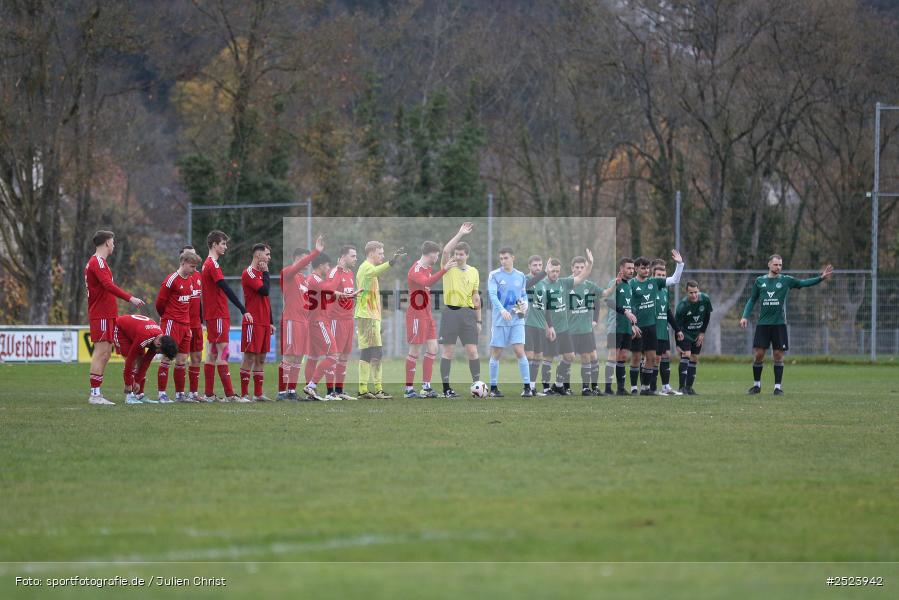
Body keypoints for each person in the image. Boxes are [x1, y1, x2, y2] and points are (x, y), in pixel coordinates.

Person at [740, 255, 833, 395]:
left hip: (779, 324)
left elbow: (803, 283)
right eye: (776, 264)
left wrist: (820, 278)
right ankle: (756, 386)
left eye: (780, 265)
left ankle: (777, 388)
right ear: (769, 264)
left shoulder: (786, 280)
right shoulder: (760, 281)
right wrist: (744, 316)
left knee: (778, 354)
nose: (778, 267)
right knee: (759, 354)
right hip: (763, 324)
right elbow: (752, 300)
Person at [84, 230, 145, 405]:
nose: (114, 245)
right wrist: (130, 298)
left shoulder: (99, 262)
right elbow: (108, 285)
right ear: (106, 243)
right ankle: (95, 395)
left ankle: (96, 394)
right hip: (101, 314)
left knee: (105, 354)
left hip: (106, 314)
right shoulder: (98, 262)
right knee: (101, 353)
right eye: (113, 242)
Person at [201, 230, 253, 403]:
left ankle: (209, 395)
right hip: (217, 314)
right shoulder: (212, 265)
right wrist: (242, 309)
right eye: (223, 243)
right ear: (214, 244)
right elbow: (225, 288)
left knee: (213, 353)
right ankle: (230, 395)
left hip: (214, 314)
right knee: (224, 352)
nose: (225, 247)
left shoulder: (207, 264)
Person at [303, 253, 360, 401]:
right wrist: (339, 270)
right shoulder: (315, 279)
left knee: (317, 356)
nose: (329, 268)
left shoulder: (316, 279)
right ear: (321, 265)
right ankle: (313, 386)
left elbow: (329, 291)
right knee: (332, 355)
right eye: (327, 265)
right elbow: (329, 287)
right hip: (320, 321)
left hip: (320, 320)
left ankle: (313, 391)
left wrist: (347, 295)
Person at [404, 242, 456, 398]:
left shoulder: (427, 268)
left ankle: (426, 388)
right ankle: (408, 390)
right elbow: (427, 282)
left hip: (427, 314)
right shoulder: (416, 269)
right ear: (431, 253)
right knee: (415, 351)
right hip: (416, 315)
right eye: (437, 254)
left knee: (433, 348)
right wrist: (444, 270)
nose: (438, 257)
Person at [628, 250, 684, 395]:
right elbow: (626, 306)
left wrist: (680, 264)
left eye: (647, 268)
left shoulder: (654, 282)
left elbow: (674, 280)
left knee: (652, 358)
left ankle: (646, 388)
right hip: (638, 327)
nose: (646, 270)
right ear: (636, 269)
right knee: (636, 357)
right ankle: (633, 387)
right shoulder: (631, 284)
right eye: (643, 268)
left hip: (651, 326)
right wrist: (632, 325)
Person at [356, 241, 406, 399]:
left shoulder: (367, 268)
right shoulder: (367, 267)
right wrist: (391, 262)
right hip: (368, 315)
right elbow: (376, 271)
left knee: (367, 352)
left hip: (370, 316)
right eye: (380, 253)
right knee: (377, 352)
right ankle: (377, 389)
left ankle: (364, 389)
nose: (382, 256)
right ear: (371, 253)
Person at [438, 223, 482, 398]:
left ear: (467, 256)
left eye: (461, 254)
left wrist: (479, 320)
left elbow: (476, 296)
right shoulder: (448, 267)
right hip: (450, 313)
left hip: (468, 314)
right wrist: (460, 234)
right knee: (448, 351)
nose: (457, 256)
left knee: (472, 351)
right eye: (456, 254)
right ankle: (447, 389)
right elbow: (445, 252)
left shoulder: (474, 272)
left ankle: (477, 385)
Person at [542, 251, 595, 395]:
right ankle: (546, 389)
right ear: (547, 270)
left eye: (557, 271)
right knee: (548, 357)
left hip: (564, 329)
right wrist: (548, 327)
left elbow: (582, 276)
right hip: (550, 328)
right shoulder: (542, 285)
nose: (555, 273)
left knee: (570, 356)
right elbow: (541, 310)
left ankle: (558, 385)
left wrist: (590, 263)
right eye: (552, 271)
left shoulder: (563, 282)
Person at [278, 235, 323, 401]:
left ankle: (291, 390)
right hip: (291, 320)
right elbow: (302, 264)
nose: (308, 263)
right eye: (304, 260)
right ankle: (281, 391)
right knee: (289, 356)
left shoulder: (304, 279)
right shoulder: (288, 273)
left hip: (304, 322)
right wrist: (316, 251)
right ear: (297, 260)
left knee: (298, 357)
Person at [155, 249, 201, 403]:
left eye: (195, 267)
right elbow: (159, 303)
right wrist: (167, 318)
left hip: (185, 325)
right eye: (192, 266)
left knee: (182, 360)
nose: (194, 270)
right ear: (183, 263)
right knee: (167, 357)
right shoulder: (171, 280)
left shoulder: (190, 279)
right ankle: (162, 394)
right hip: (171, 323)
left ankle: (180, 395)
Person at [486, 247, 532, 397]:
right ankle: (493, 388)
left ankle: (527, 388)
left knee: (520, 351)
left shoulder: (520, 276)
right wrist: (501, 310)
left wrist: (525, 304)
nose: (503, 261)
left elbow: (523, 295)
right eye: (501, 258)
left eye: (506, 257)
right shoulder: (494, 275)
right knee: (497, 353)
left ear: (513, 258)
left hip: (517, 319)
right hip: (500, 320)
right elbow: (492, 295)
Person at [112, 314, 178, 404]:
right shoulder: (146, 337)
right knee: (133, 362)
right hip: (121, 329)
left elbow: (146, 362)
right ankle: (129, 396)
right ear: (158, 345)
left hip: (135, 332)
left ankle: (139, 395)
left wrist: (138, 381)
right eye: (160, 352)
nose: (158, 353)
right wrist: (128, 383)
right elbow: (130, 360)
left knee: (141, 361)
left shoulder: (159, 340)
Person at [240, 243, 274, 402]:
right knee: (249, 358)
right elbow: (264, 290)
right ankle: (244, 394)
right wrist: (266, 272)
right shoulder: (249, 273)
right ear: (258, 255)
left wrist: (271, 321)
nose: (269, 258)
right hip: (253, 322)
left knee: (261, 358)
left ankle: (258, 394)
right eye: (267, 255)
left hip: (265, 322)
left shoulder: (261, 274)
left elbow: (266, 299)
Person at [566, 255, 604, 396]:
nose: (580, 270)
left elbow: (597, 302)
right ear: (572, 268)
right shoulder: (566, 284)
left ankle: (588, 388)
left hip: (585, 329)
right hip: (570, 329)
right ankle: (564, 386)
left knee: (589, 356)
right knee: (568, 358)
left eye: (583, 267)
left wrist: (595, 319)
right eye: (577, 267)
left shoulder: (589, 285)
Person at [325, 245, 360, 400]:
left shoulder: (350, 273)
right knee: (334, 355)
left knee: (345, 355)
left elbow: (346, 294)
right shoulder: (334, 272)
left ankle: (339, 390)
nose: (355, 258)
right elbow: (328, 291)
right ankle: (329, 392)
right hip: (336, 319)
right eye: (352, 256)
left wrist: (352, 297)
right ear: (343, 256)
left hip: (348, 319)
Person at [601, 258, 639, 396]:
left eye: (632, 268)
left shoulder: (629, 285)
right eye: (628, 268)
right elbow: (608, 301)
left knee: (623, 356)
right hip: (615, 326)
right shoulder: (615, 282)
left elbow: (630, 305)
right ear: (621, 269)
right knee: (613, 355)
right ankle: (607, 389)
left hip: (626, 327)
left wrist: (633, 325)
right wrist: (625, 312)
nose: (631, 271)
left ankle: (621, 389)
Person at [650, 258, 684, 396]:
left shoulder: (664, 290)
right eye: (659, 276)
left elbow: (667, 311)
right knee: (653, 358)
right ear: (653, 276)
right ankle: (650, 388)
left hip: (663, 330)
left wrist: (677, 329)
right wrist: (680, 264)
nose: (662, 278)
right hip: (652, 329)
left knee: (666, 355)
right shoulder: (650, 288)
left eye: (663, 276)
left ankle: (666, 387)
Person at [675, 281, 712, 395]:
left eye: (696, 292)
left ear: (698, 290)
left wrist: (702, 333)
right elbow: (677, 326)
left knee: (694, 357)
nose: (694, 295)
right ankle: (681, 388)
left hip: (697, 334)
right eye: (691, 293)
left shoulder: (705, 299)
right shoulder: (682, 306)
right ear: (686, 292)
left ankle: (689, 388)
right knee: (686, 354)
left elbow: (707, 316)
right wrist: (677, 344)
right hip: (685, 333)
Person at [523, 255, 551, 395]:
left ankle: (532, 387)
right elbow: (527, 286)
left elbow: (546, 307)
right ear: (529, 266)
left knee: (538, 356)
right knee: (529, 356)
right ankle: (526, 388)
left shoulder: (544, 284)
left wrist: (549, 326)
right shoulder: (525, 279)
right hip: (527, 323)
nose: (538, 267)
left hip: (540, 325)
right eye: (535, 265)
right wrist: (544, 272)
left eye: (540, 265)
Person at [182, 245, 204, 401]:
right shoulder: (177, 278)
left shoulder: (198, 276)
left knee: (196, 358)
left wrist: (202, 320)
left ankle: (193, 393)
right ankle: (177, 393)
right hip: (181, 324)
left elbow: (200, 302)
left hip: (196, 324)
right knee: (179, 359)